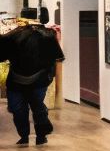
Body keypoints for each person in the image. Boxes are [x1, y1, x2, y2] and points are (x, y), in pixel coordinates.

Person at [0, 13, 64, 144]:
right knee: (32, 107)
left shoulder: (14, 35)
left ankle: (33, 135)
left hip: (31, 79)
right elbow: (56, 58)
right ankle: (34, 135)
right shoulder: (45, 35)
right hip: (31, 79)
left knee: (26, 108)